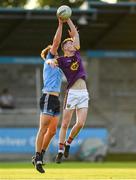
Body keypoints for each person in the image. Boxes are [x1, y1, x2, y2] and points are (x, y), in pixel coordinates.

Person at [52, 18, 89, 163]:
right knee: (65, 124)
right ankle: (60, 151)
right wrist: (50, 62)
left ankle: (68, 143)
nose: (72, 44)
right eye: (69, 43)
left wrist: (67, 20)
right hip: (72, 93)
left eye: (72, 42)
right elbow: (51, 60)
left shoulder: (77, 54)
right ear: (65, 47)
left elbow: (76, 35)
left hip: (83, 93)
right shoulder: (61, 60)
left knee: (80, 124)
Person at [32, 18, 63, 173]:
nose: (57, 52)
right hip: (48, 97)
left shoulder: (58, 66)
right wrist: (60, 24)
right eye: (55, 52)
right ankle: (37, 157)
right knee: (43, 128)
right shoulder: (49, 61)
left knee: (52, 132)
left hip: (56, 99)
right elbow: (56, 41)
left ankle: (41, 155)